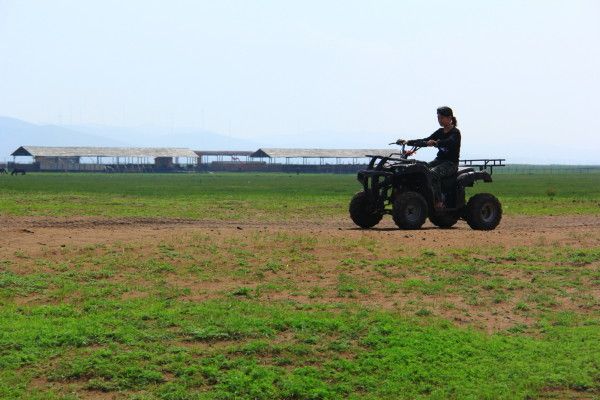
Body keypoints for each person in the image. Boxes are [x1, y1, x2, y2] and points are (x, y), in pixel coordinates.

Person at [399, 106, 461, 209]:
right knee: (421, 168)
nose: (439, 120)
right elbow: (426, 140)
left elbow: (450, 142)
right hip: (439, 161)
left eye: (441, 118)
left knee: (433, 173)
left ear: (450, 118)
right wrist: (408, 142)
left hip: (451, 164)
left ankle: (438, 202)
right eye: (438, 118)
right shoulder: (440, 132)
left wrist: (437, 142)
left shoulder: (455, 132)